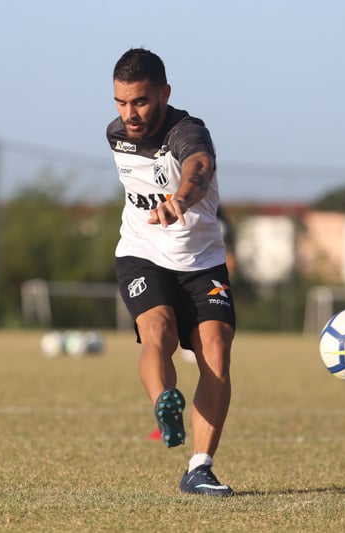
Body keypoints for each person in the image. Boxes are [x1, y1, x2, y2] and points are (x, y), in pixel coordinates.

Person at [108, 48, 235, 496]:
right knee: (157, 331)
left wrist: (180, 199)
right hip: (142, 253)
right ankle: (165, 402)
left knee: (216, 355)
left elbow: (198, 168)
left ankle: (199, 468)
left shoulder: (188, 132)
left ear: (164, 92)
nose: (130, 114)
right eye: (121, 103)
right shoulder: (116, 134)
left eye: (140, 101)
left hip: (201, 262)